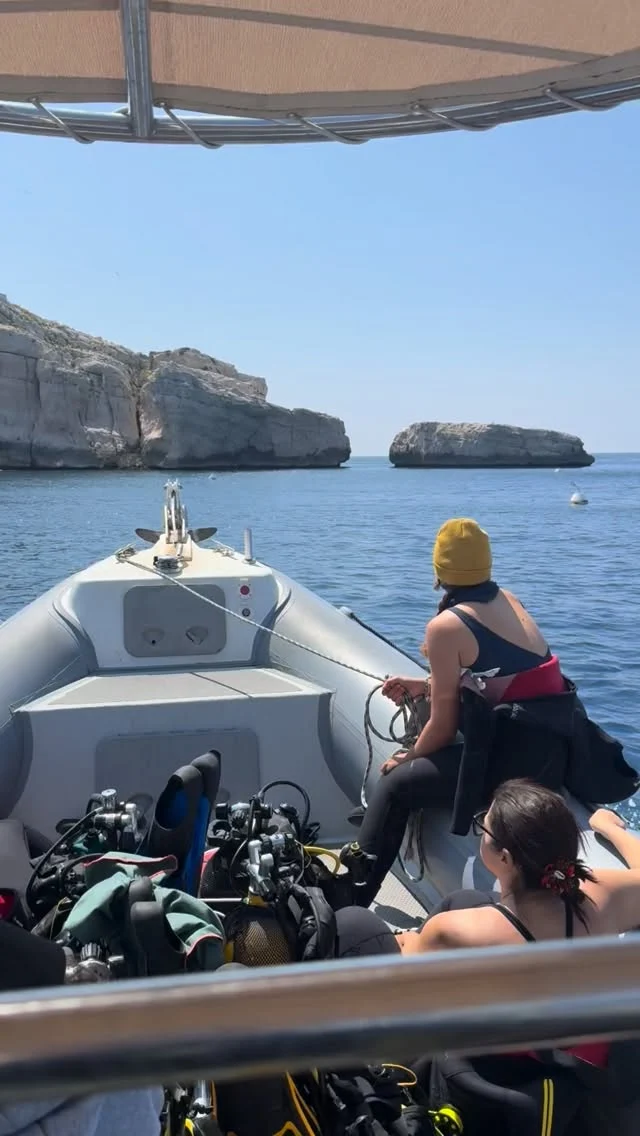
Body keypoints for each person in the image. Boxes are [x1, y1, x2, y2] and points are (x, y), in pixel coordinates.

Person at [342, 518, 564, 904]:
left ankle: (350, 899)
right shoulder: (508, 600)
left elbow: (442, 729)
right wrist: (423, 686)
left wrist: (406, 758)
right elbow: (498, 679)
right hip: (552, 751)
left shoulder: (446, 626)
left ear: (439, 570)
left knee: (396, 785)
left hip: (515, 765)